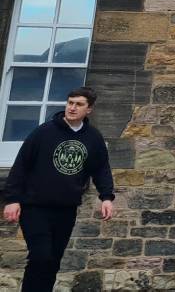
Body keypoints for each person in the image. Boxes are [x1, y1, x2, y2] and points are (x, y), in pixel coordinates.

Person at [2, 87, 116, 292]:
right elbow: (21, 165)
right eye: (70, 102)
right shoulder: (43, 132)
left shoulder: (93, 137)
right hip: (35, 207)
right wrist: (12, 199)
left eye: (79, 104)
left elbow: (101, 169)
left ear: (89, 109)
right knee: (41, 256)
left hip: (66, 209)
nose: (72, 108)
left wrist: (106, 197)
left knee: (53, 261)